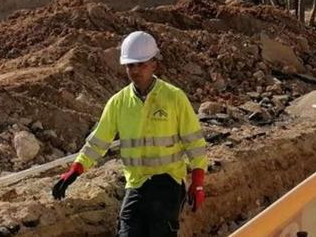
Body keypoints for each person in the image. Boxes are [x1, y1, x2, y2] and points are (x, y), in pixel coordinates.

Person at [51, 31, 208, 237]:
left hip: (168, 184)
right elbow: (98, 141)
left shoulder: (174, 98)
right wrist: (76, 169)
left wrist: (197, 183)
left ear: (154, 63)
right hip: (136, 185)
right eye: (130, 65)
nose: (135, 70)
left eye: (141, 64)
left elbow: (194, 144)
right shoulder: (118, 102)